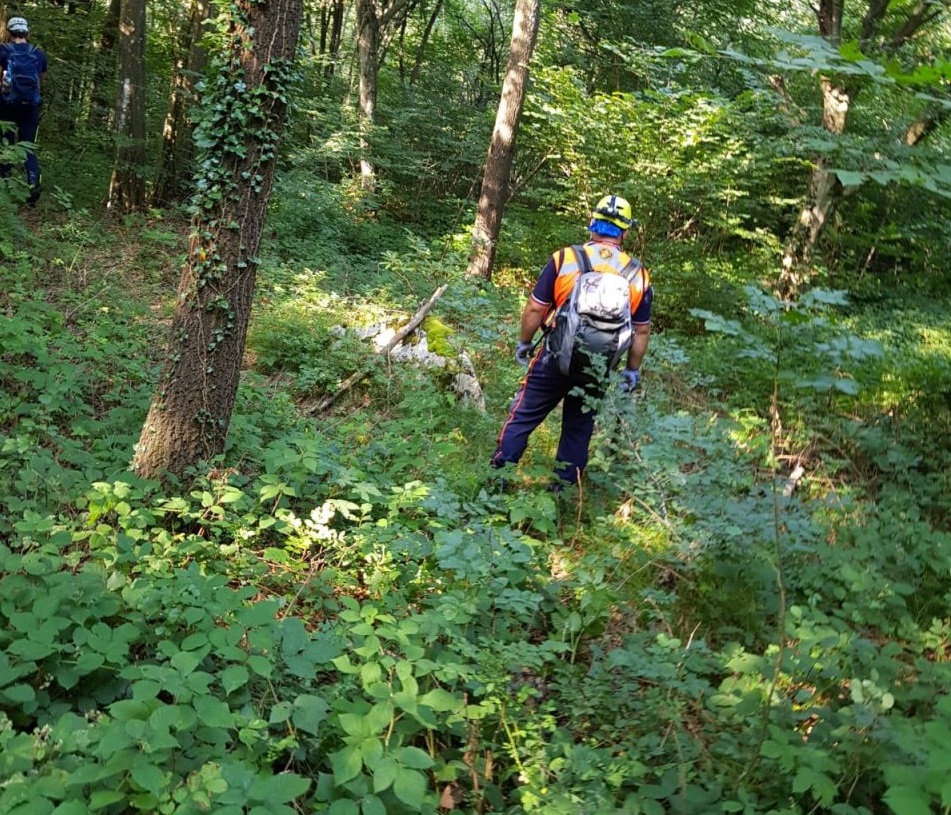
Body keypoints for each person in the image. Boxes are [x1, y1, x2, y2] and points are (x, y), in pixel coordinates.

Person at [490, 194, 653, 489]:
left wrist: (524, 343)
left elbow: (536, 308)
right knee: (579, 431)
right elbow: (641, 331)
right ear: (625, 232)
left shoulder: (565, 258)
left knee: (524, 415)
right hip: (597, 367)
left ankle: (497, 480)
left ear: (593, 224)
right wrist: (631, 370)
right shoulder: (638, 275)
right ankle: (562, 497)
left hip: (554, 358)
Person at [0, 16, 47, 205]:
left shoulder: (3, 50)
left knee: (6, 145)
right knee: (28, 147)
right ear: (27, 33)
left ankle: (5, 187)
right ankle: (33, 185)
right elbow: (42, 80)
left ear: (10, 33)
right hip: (31, 108)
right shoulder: (38, 53)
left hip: (6, 106)